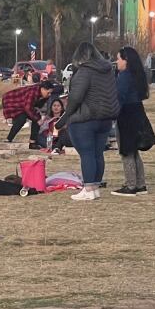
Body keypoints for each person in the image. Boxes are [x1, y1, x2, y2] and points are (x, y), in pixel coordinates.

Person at [55, 43, 120, 201]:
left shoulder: (85, 72)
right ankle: (95, 187)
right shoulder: (107, 70)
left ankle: (88, 188)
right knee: (98, 153)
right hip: (105, 118)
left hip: (85, 118)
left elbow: (76, 97)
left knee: (87, 154)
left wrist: (63, 118)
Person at [112, 46, 151, 196]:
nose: (116, 62)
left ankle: (131, 185)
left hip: (126, 115)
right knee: (134, 150)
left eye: (118, 58)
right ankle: (140, 184)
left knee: (126, 150)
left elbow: (119, 98)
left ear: (126, 60)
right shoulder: (136, 75)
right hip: (136, 112)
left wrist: (112, 113)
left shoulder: (124, 76)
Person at [3, 80, 56, 146]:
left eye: (50, 93)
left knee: (36, 118)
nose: (49, 95)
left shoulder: (44, 95)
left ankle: (32, 142)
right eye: (48, 93)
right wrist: (38, 119)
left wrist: (39, 115)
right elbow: (27, 108)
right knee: (22, 119)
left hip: (23, 105)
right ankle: (9, 139)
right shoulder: (33, 92)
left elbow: (37, 106)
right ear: (43, 89)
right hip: (12, 101)